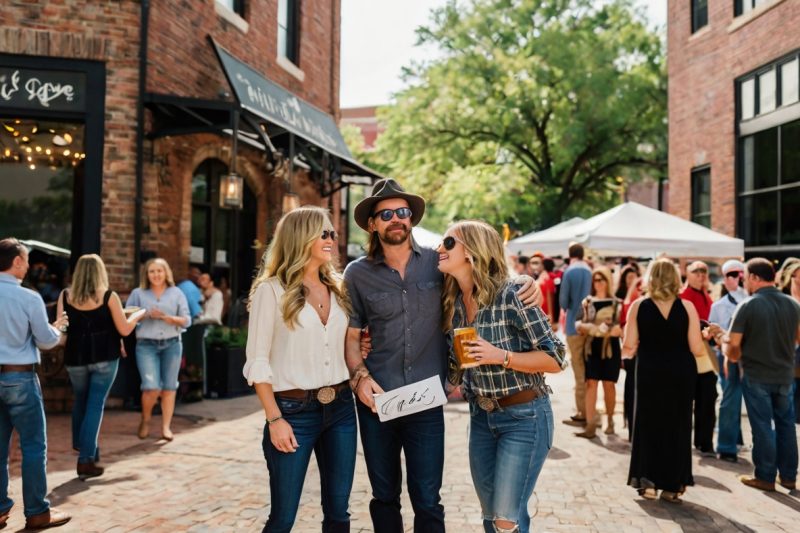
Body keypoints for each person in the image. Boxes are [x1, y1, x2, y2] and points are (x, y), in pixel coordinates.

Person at [343, 178, 539, 533]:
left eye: (402, 211)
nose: (396, 219)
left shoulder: (439, 262)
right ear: (372, 224)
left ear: (412, 218)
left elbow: (484, 275)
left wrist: (526, 281)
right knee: (384, 495)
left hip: (426, 401)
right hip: (378, 401)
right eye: (385, 214)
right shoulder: (356, 274)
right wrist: (359, 377)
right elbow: (352, 335)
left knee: (428, 499)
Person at [439, 220, 565, 533]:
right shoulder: (453, 303)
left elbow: (556, 358)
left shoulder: (511, 294)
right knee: (491, 514)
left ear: (471, 252)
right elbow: (457, 367)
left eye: (448, 243)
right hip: (481, 418)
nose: (439, 249)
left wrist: (501, 356)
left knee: (506, 518)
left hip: (525, 417)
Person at [244, 206, 356, 532]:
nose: (331, 240)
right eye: (323, 233)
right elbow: (257, 360)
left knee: (339, 513)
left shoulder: (339, 287)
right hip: (292, 411)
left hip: (341, 408)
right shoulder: (272, 290)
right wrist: (274, 419)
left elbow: (342, 345)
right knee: (283, 518)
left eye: (332, 233)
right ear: (301, 236)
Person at [0, 237, 71, 529]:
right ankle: (37, 512)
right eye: (26, 260)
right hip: (20, 378)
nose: (29, 266)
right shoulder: (29, 298)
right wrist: (61, 328)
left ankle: (0, 509)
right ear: (16, 262)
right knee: (32, 446)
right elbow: (46, 342)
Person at [624, 259, 707, 503]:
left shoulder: (639, 306)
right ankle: (673, 484)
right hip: (681, 371)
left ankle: (647, 482)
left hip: (650, 370)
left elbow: (628, 346)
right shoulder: (688, 307)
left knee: (648, 423)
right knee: (678, 424)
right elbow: (697, 348)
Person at [56, 254, 144, 480]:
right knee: (95, 404)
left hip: (75, 357)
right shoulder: (109, 296)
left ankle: (84, 446)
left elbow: (62, 335)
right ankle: (85, 459)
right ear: (100, 272)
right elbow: (124, 329)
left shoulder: (65, 296)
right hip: (105, 356)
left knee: (81, 401)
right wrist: (138, 316)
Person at [719, 258, 800, 492]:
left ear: (755, 278)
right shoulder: (793, 305)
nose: (745, 282)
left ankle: (765, 476)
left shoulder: (748, 305)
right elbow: (798, 339)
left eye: (746, 277)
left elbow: (733, 347)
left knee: (762, 426)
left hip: (757, 374)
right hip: (785, 375)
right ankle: (788, 477)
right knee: (786, 425)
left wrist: (723, 343)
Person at [126, 258, 190, 441]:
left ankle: (166, 427)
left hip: (172, 344)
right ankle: (145, 420)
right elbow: (125, 315)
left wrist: (170, 318)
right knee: (151, 387)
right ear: (147, 274)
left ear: (166, 273)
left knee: (169, 388)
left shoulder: (177, 293)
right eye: (152, 271)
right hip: (147, 345)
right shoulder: (138, 293)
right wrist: (145, 314)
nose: (156, 275)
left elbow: (187, 319)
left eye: (159, 271)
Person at [574, 267, 623, 438]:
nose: (598, 282)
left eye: (602, 279)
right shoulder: (587, 302)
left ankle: (610, 419)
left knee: (609, 384)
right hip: (592, 347)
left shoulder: (617, 303)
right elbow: (578, 323)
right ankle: (590, 424)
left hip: (611, 348)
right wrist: (593, 329)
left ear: (608, 281)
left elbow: (620, 328)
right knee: (591, 383)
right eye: (595, 279)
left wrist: (607, 331)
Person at [708, 259, 747, 462]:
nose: (737, 278)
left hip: (752, 357)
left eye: (740, 273)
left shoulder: (752, 297)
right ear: (724, 278)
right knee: (730, 399)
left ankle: (737, 441)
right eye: (731, 274)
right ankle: (726, 446)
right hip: (728, 357)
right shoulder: (719, 306)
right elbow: (712, 333)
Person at [679, 260, 717, 456]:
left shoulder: (708, 298)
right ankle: (681, 441)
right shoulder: (681, 297)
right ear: (687, 273)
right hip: (685, 356)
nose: (701, 274)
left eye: (704, 271)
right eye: (696, 271)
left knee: (708, 399)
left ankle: (704, 442)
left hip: (706, 357)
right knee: (684, 401)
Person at [559, 242, 592, 427]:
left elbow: (564, 300)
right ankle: (587, 408)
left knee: (578, 370)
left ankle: (582, 412)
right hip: (589, 323)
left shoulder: (570, 272)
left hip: (573, 323)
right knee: (587, 370)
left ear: (570, 254)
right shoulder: (589, 270)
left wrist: (568, 308)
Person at [616, 263, 640, 439]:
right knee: (631, 385)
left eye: (635, 277)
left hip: (639, 348)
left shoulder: (642, 298)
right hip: (628, 346)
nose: (632, 280)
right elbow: (625, 314)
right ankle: (631, 427)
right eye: (629, 277)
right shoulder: (624, 299)